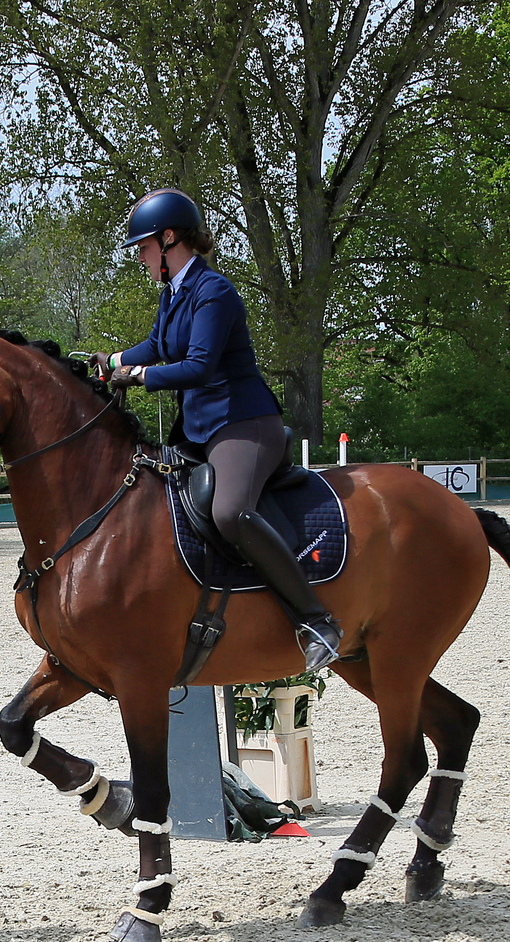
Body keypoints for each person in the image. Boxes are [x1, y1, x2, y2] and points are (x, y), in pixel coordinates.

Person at [96, 188, 340, 671]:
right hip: (201, 428)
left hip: (244, 423)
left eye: (144, 248)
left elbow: (200, 365)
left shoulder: (214, 291)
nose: (141, 258)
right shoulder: (175, 293)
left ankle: (316, 620)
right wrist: (115, 360)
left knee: (230, 511)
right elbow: (160, 343)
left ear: (169, 240)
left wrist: (139, 377)